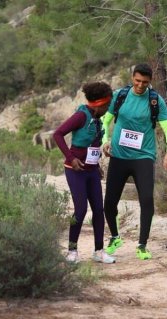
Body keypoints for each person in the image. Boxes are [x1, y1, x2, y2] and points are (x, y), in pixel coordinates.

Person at [101, 64, 167, 260]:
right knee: (109, 202)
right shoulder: (120, 95)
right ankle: (115, 237)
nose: (140, 85)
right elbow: (105, 120)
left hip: (143, 156)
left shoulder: (155, 101)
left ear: (150, 81)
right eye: (137, 81)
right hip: (118, 155)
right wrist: (104, 141)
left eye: (145, 82)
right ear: (132, 78)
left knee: (146, 200)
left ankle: (142, 245)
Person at [53, 81, 116, 264]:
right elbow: (58, 134)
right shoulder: (81, 116)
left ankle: (98, 251)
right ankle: (72, 252)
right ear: (99, 104)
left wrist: (98, 163)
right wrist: (71, 157)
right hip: (75, 170)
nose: (109, 107)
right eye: (107, 104)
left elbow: (93, 145)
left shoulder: (98, 118)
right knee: (80, 209)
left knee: (98, 209)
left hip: (91, 171)